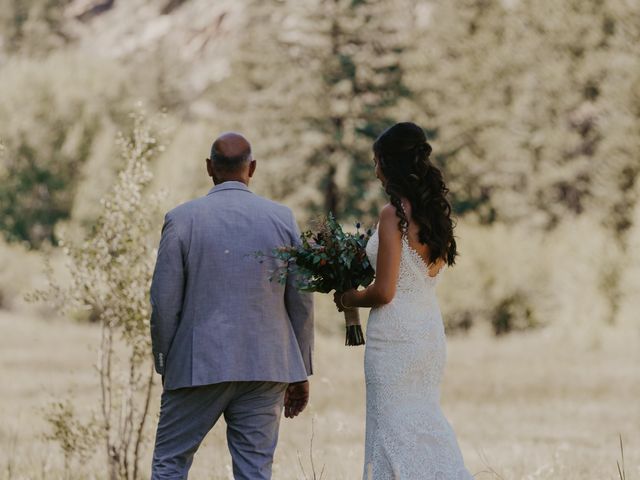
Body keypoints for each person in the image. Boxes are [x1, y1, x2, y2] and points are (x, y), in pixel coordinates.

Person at [149, 132, 314, 479]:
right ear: (251, 168)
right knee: (255, 471)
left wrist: (166, 363)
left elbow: (164, 303)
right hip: (266, 365)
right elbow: (301, 299)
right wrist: (299, 370)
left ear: (210, 168)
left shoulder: (181, 219)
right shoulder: (282, 219)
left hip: (197, 366)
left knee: (170, 464)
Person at [334, 122, 473, 479]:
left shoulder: (392, 214)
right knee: (424, 423)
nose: (376, 170)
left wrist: (349, 296)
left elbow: (384, 291)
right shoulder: (435, 215)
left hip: (395, 339)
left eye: (377, 161)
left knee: (391, 431)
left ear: (390, 164)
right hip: (427, 333)